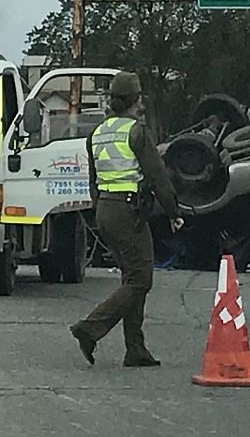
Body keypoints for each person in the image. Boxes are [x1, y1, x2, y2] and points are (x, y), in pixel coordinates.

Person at [69, 72, 183, 367]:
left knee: (131, 276)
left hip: (105, 209)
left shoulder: (97, 133)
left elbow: (94, 180)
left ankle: (136, 348)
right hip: (128, 211)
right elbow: (158, 176)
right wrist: (173, 212)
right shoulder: (137, 132)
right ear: (137, 101)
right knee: (141, 279)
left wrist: (101, 208)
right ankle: (90, 328)